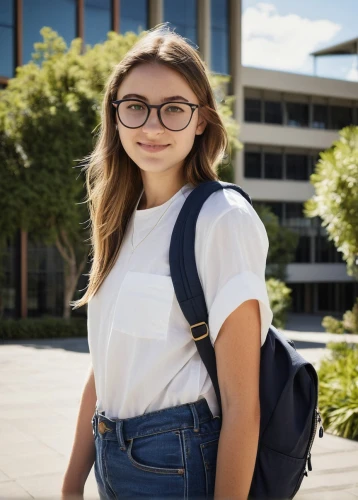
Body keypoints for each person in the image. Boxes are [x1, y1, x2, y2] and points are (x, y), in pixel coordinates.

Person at [61, 24, 273, 500]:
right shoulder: (119, 220)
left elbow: (243, 406)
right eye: (135, 106)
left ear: (201, 120)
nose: (152, 126)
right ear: (115, 116)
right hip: (110, 458)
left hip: (176, 464)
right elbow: (107, 367)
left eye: (173, 108)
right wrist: (71, 482)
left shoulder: (222, 219)